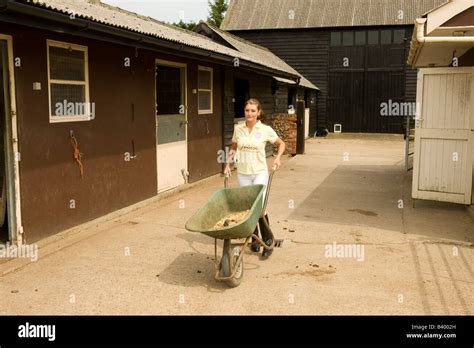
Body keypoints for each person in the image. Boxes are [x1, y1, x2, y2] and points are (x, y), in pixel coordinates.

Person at [224, 98, 286, 258]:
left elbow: (281, 144)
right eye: (247, 110)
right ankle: (255, 240)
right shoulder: (238, 129)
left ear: (258, 113)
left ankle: (268, 241)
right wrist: (227, 164)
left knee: (259, 208)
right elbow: (234, 147)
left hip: (259, 172)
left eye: (253, 111)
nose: (249, 113)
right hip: (243, 173)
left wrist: (278, 158)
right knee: (248, 208)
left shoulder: (265, 129)